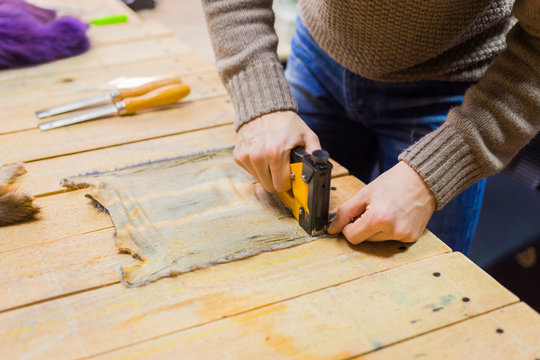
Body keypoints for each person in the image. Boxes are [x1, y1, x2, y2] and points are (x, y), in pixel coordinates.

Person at [200, 0, 540, 253]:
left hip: (454, 88)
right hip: (318, 51)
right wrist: (259, 96)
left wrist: (437, 170)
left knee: (420, 304)